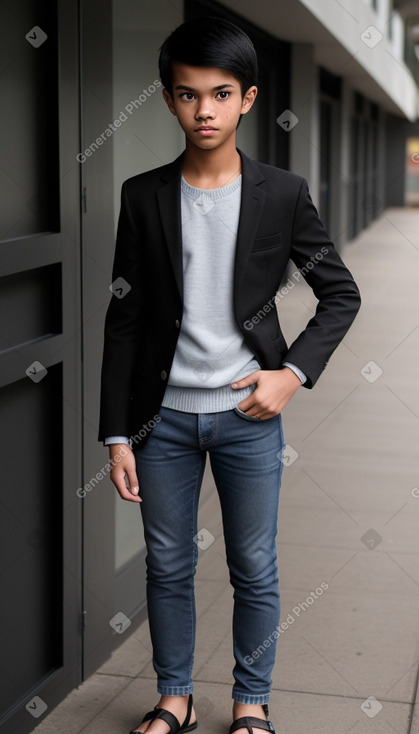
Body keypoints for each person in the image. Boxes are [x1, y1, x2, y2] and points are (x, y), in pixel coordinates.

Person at [99, 16, 361, 734]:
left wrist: (291, 375)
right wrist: (117, 434)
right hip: (161, 422)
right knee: (167, 565)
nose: (204, 111)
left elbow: (340, 293)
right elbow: (123, 319)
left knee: (253, 567)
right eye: (187, 95)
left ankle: (251, 703)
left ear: (248, 99)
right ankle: (173, 699)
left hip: (249, 416)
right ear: (167, 99)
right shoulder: (142, 195)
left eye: (219, 94)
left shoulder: (281, 192)